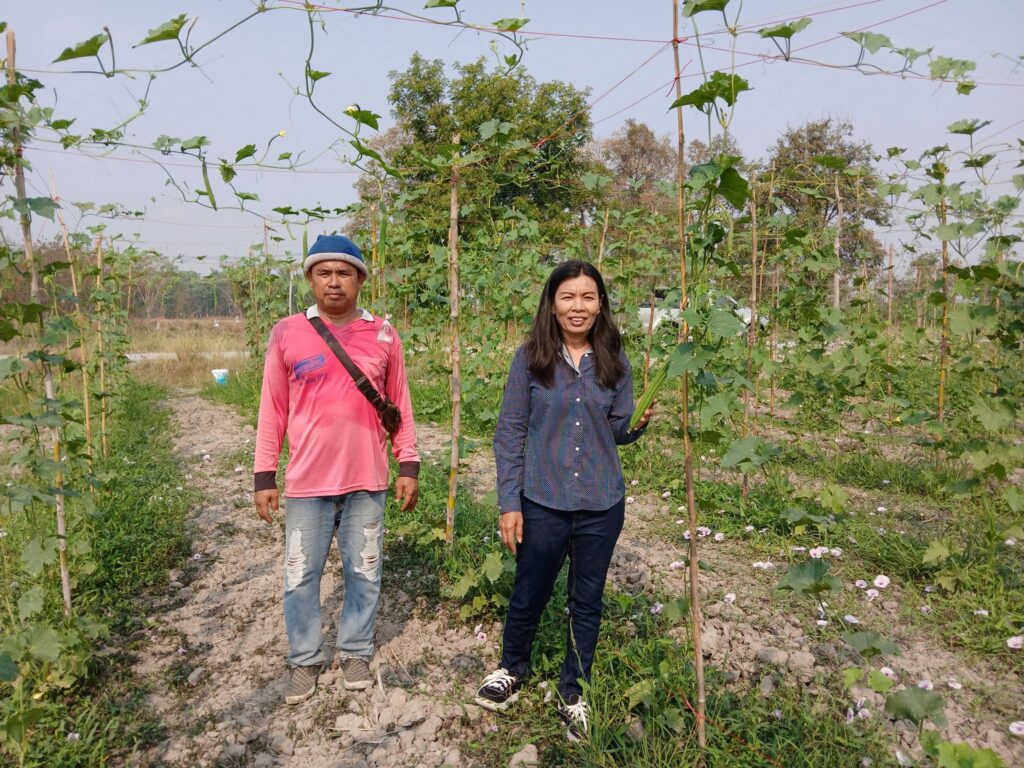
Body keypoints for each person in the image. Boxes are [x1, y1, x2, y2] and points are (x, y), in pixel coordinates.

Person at [475, 260, 653, 741]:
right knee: (530, 589)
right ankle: (511, 668)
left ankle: (574, 692)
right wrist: (509, 502)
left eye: (588, 297)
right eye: (568, 297)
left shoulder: (615, 359)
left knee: (586, 600)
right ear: (552, 305)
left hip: (601, 502)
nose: (578, 306)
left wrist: (636, 425)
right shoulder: (530, 358)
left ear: (600, 304)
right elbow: (509, 432)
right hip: (543, 499)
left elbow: (617, 430)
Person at [253, 233, 420, 705]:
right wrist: (264, 474)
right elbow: (272, 408)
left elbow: (400, 403)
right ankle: (304, 659)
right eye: (323, 273)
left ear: (360, 280)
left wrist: (408, 462)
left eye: (344, 273)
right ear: (310, 279)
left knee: (364, 571)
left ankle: (355, 651)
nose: (333, 282)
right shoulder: (287, 333)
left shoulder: (384, 335)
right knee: (300, 575)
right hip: (307, 483)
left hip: (367, 480)